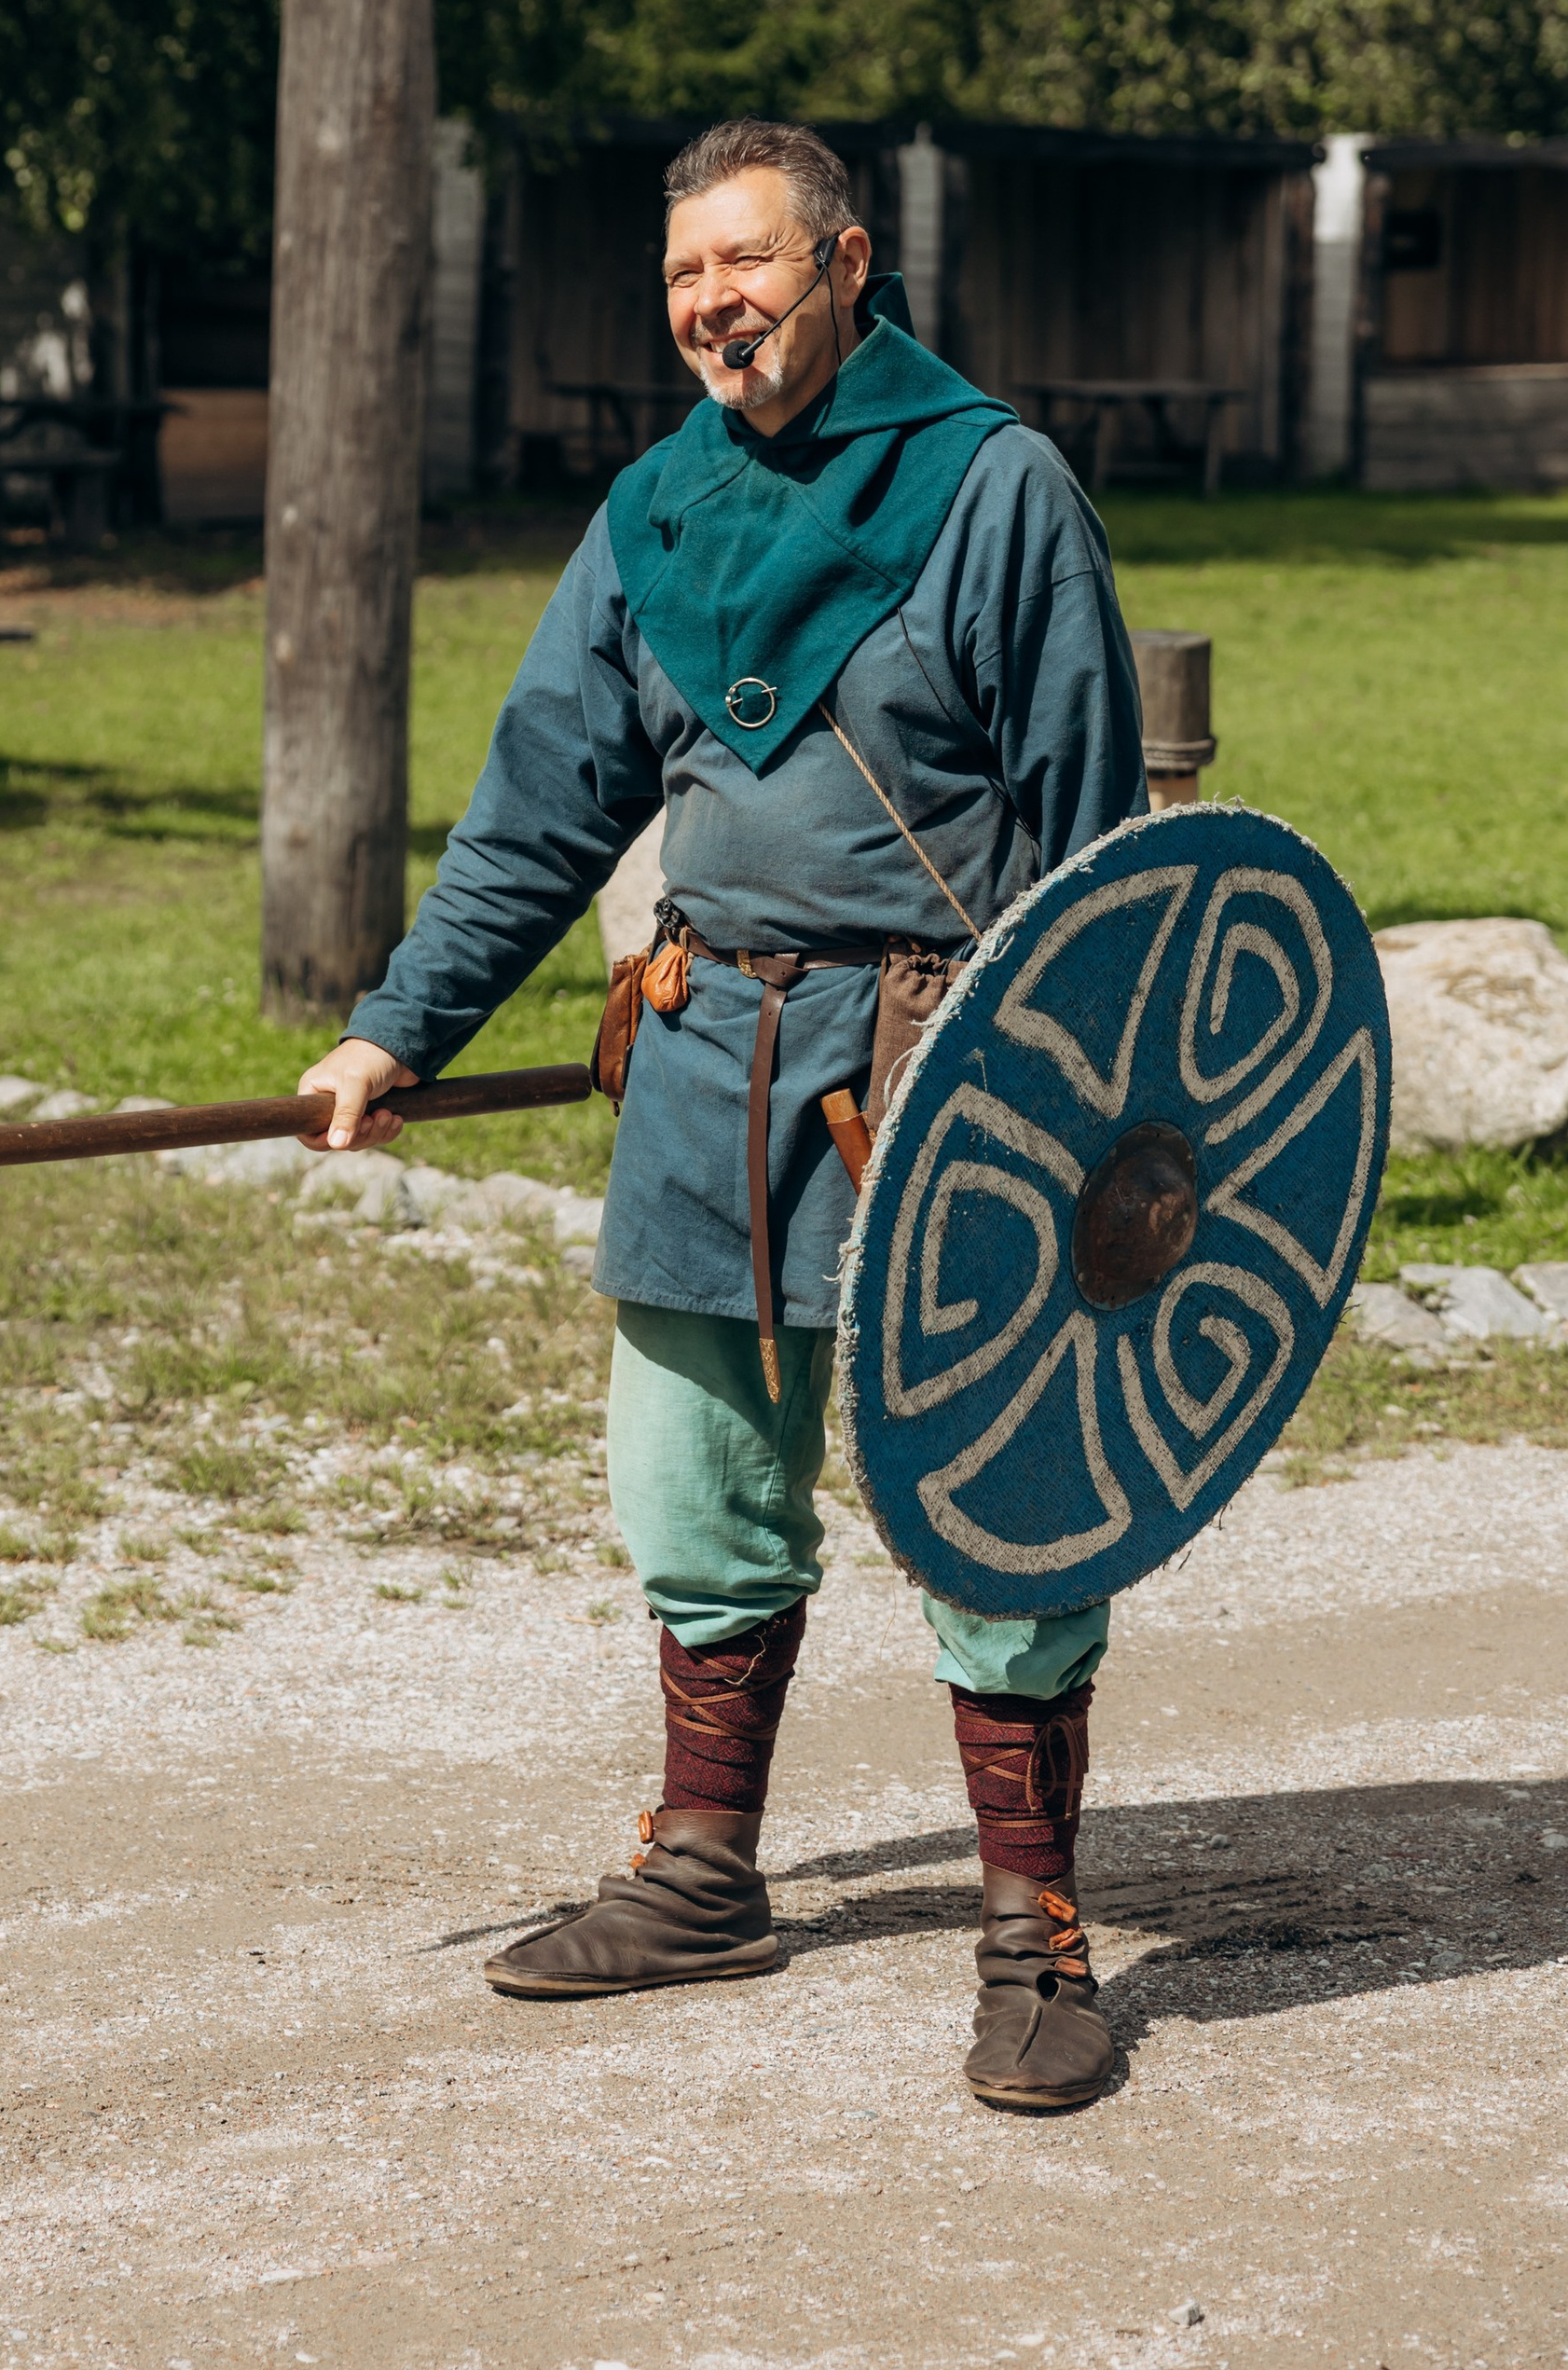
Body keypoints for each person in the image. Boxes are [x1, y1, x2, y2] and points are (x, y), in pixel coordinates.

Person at [298, 118, 1146, 2113]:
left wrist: (1088, 1115)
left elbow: (1095, 834)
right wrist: (394, 1031)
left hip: (947, 1065)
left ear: (848, 259)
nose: (709, 305)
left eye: (744, 264)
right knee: (688, 1475)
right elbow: (538, 806)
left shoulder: (994, 487)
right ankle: (701, 1866)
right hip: (701, 1051)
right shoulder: (650, 511)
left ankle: (1033, 1930)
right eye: (682, 278)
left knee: (989, 1491)